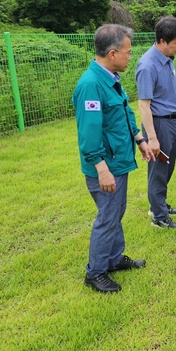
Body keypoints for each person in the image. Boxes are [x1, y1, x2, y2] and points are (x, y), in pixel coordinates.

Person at [72, 24, 154, 294]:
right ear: (112, 53)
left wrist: (139, 140)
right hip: (105, 166)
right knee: (108, 217)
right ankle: (95, 272)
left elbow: (124, 114)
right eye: (128, 52)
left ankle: (114, 258)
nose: (131, 56)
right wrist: (101, 169)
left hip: (118, 161)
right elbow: (89, 134)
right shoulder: (91, 86)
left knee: (116, 213)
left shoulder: (111, 78)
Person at [135, 16, 176, 229]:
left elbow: (165, 95)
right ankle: (158, 216)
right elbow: (143, 105)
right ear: (163, 41)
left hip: (169, 122)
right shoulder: (148, 65)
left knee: (167, 168)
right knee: (158, 170)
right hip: (156, 125)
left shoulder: (167, 60)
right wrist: (153, 138)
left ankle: (159, 205)